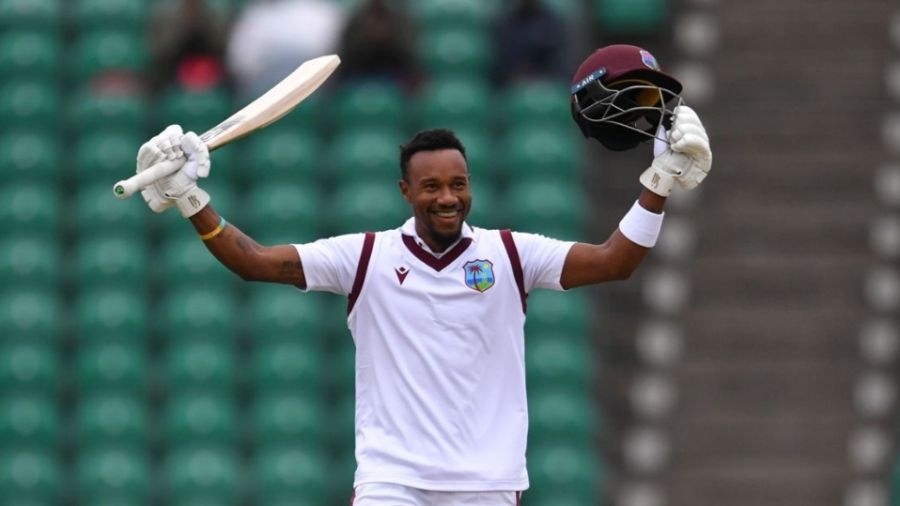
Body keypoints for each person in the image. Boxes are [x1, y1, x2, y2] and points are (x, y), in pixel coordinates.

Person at [132, 45, 711, 506]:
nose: (447, 198)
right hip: (393, 482)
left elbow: (616, 260)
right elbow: (252, 262)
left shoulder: (510, 254)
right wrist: (189, 196)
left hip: (486, 482)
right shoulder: (365, 257)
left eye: (457, 184)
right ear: (405, 191)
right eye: (431, 186)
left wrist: (657, 182)